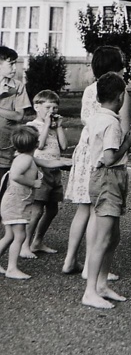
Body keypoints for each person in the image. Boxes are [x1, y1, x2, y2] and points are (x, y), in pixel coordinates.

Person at [63, 45, 129, 278]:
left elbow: (84, 118)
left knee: (84, 208)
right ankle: (92, 266)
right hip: (102, 152)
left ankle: (70, 259)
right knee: (97, 210)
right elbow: (124, 125)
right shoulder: (119, 90)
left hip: (85, 149)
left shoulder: (91, 89)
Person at [82, 72, 131, 309]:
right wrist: (129, 140)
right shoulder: (112, 123)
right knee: (104, 238)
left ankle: (102, 284)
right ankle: (90, 291)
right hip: (108, 179)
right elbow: (110, 157)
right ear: (120, 96)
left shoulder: (97, 117)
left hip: (102, 178)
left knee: (112, 236)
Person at [21, 90, 70, 258]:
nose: (52, 111)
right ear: (37, 107)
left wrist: (59, 127)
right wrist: (47, 125)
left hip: (54, 170)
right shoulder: (32, 127)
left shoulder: (54, 127)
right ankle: (24, 245)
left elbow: (64, 146)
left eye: (55, 108)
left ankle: (38, 241)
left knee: (52, 209)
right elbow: (39, 146)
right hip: (39, 171)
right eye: (48, 107)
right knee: (37, 210)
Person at [0, 126, 41, 280]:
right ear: (36, 144)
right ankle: (12, 268)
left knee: (10, 235)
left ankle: (9, 265)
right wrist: (33, 183)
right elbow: (16, 176)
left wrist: (65, 161)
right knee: (20, 235)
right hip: (16, 202)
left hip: (12, 202)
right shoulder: (26, 159)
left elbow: (46, 162)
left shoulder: (23, 157)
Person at [0, 46, 31, 184]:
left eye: (15, 64)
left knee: (4, 186)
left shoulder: (17, 86)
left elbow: (19, 116)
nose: (14, 68)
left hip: (7, 146)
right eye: (10, 64)